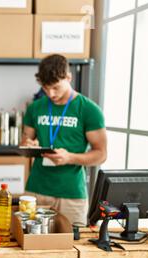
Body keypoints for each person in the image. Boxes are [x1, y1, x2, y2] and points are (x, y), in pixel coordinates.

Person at [21, 54, 107, 226]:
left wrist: (70, 158)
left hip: (72, 194)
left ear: (69, 77)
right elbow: (25, 141)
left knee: (73, 247)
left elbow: (101, 154)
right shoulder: (35, 108)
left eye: (55, 87)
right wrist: (28, 145)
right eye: (45, 88)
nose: (50, 94)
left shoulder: (89, 110)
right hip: (37, 190)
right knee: (31, 244)